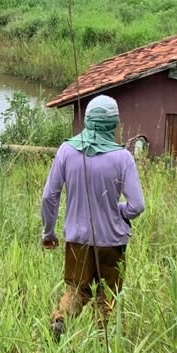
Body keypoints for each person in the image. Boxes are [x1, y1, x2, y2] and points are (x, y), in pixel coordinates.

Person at [40, 94, 145, 336]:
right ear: (113, 124)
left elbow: (49, 196)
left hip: (77, 240)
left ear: (87, 120)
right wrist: (119, 210)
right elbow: (137, 205)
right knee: (106, 296)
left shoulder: (66, 150)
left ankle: (61, 319)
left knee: (76, 290)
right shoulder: (123, 157)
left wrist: (48, 232)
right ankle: (101, 343)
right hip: (112, 243)